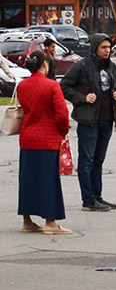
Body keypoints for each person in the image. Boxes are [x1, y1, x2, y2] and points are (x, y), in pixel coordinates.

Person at [60, 34, 116, 212]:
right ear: (95, 47)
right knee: (87, 160)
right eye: (103, 47)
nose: (107, 51)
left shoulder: (112, 67)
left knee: (99, 160)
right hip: (89, 120)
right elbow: (64, 86)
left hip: (107, 119)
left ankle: (98, 196)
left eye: (109, 47)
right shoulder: (82, 66)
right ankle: (88, 199)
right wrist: (82, 97)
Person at [17, 51, 72, 235]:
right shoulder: (52, 86)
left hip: (27, 137)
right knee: (49, 180)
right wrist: (64, 130)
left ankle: (27, 221)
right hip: (48, 138)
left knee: (27, 179)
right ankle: (50, 222)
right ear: (44, 65)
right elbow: (62, 114)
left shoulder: (22, 86)